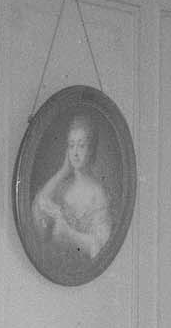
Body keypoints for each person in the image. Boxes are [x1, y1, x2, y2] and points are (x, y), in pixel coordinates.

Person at [31, 111, 112, 264]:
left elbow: (102, 245)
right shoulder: (62, 187)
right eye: (71, 145)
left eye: (81, 146)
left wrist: (69, 233)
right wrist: (62, 171)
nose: (75, 153)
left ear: (91, 149)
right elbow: (36, 211)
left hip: (84, 270)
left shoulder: (97, 193)